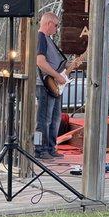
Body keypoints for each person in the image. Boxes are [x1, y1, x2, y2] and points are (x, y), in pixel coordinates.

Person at [35, 12, 68, 160]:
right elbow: (40, 62)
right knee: (44, 119)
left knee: (55, 118)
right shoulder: (41, 38)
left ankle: (50, 147)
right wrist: (57, 76)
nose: (56, 28)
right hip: (44, 83)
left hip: (53, 83)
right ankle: (40, 149)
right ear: (48, 23)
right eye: (56, 25)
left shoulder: (48, 39)